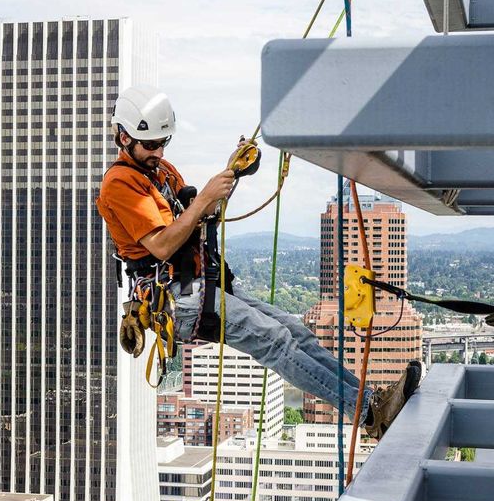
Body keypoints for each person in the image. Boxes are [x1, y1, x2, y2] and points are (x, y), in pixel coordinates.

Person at [95, 84, 419, 440]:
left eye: (163, 143)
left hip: (203, 281)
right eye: (151, 145)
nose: (158, 151)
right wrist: (204, 199)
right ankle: (371, 414)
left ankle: (370, 400)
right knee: (276, 341)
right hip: (179, 298)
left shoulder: (161, 172)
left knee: (298, 333)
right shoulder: (119, 184)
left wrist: (230, 174)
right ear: (124, 138)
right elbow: (161, 244)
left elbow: (197, 215)